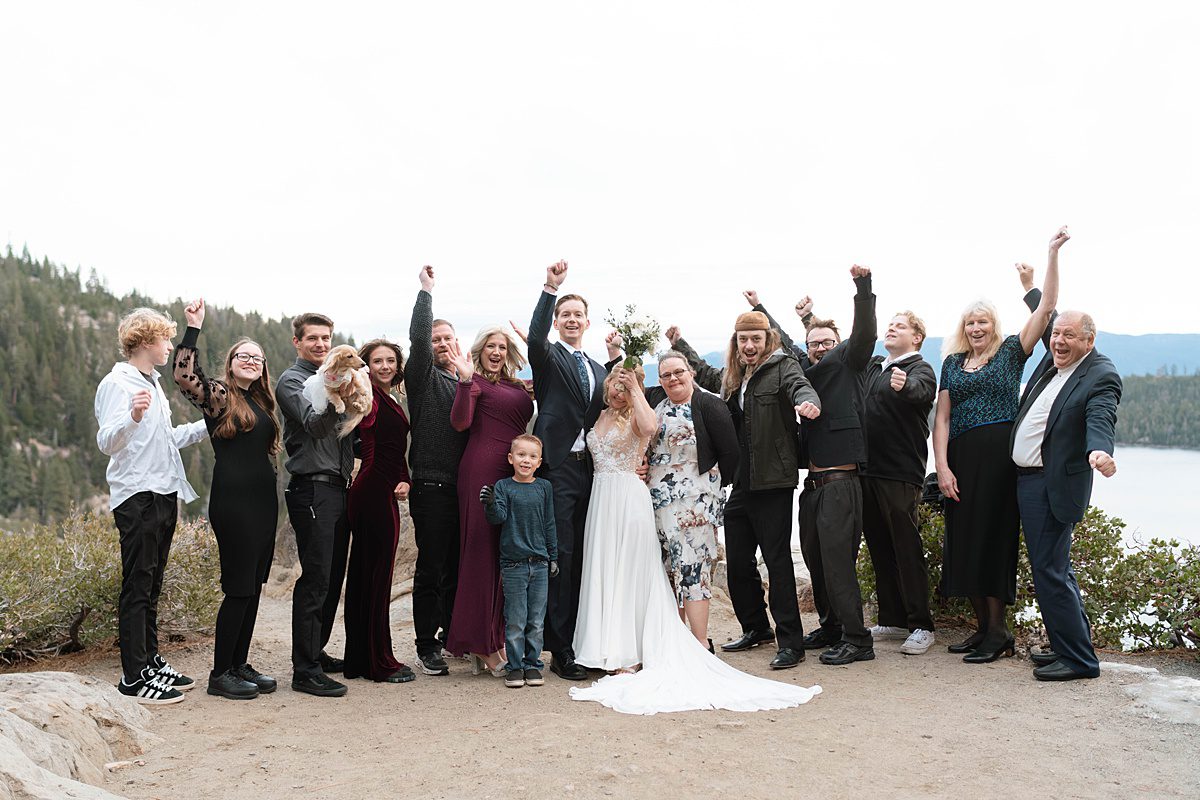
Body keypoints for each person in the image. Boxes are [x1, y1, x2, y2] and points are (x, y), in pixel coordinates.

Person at [569, 367, 823, 714]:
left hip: (650, 499)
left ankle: (684, 644)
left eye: (625, 384)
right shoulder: (602, 414)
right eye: (614, 382)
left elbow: (711, 447)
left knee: (649, 571)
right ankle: (603, 645)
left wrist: (713, 489)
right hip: (611, 500)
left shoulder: (660, 408)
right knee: (613, 570)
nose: (619, 388)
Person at [933, 227, 1066, 663]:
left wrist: (1046, 261)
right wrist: (943, 468)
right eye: (970, 322)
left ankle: (998, 632)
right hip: (960, 462)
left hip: (998, 462)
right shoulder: (952, 363)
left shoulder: (1012, 351)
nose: (976, 327)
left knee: (992, 540)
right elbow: (943, 419)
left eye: (983, 321)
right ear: (963, 328)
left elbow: (1046, 309)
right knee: (964, 541)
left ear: (994, 326)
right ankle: (981, 628)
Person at [671, 311, 821, 670]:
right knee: (737, 561)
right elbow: (705, 376)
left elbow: (801, 385)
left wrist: (807, 402)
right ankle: (755, 627)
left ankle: (791, 642)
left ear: (767, 339)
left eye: (755, 339)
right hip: (742, 480)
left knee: (777, 560)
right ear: (735, 342)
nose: (749, 346)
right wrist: (679, 344)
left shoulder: (783, 367)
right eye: (743, 340)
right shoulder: (735, 376)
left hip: (774, 480)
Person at [750, 266, 878, 665]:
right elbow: (788, 343)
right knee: (815, 559)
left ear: (839, 343)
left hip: (842, 481)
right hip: (813, 484)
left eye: (826, 342)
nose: (819, 348)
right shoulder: (805, 369)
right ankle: (832, 626)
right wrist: (761, 309)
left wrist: (863, 287)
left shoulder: (850, 362)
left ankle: (859, 640)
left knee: (838, 563)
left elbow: (865, 334)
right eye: (813, 343)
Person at [95, 307, 207, 704]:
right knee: (137, 586)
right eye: (164, 340)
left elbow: (164, 440)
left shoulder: (153, 384)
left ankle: (151, 663)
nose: (168, 347)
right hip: (137, 496)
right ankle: (132, 678)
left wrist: (205, 426)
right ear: (144, 342)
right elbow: (107, 441)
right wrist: (131, 416)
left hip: (163, 491)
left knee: (153, 583)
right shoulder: (118, 384)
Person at [173, 300, 280, 700]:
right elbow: (185, 376)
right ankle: (220, 674)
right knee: (238, 587)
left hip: (263, 503)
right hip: (234, 503)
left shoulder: (261, 401)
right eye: (243, 356)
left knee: (253, 586)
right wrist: (193, 328)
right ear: (231, 362)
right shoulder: (219, 396)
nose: (251, 361)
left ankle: (239, 663)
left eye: (258, 357)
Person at [605, 343, 738, 650]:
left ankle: (700, 642)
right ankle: (674, 640)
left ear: (691, 373)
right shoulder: (655, 400)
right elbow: (632, 413)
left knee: (693, 569)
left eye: (679, 372)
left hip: (695, 502)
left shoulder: (709, 405)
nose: (673, 379)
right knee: (665, 569)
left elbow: (730, 454)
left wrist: (712, 489)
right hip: (655, 501)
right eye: (666, 375)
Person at [1011, 310, 1121, 681]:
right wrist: (1030, 286)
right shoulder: (1058, 361)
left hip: (1051, 486)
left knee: (1051, 573)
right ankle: (1069, 647)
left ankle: (1079, 662)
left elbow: (1101, 416)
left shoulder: (1100, 374)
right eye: (1056, 334)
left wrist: (1100, 451)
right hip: (1028, 481)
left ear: (1089, 341)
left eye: (1068, 336)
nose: (1058, 340)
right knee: (1056, 571)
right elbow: (1048, 313)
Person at [527, 260, 608, 681]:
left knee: (586, 557)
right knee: (562, 557)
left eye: (578, 314)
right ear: (558, 322)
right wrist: (550, 289)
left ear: (587, 322)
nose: (572, 319)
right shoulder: (547, 357)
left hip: (591, 471)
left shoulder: (597, 370)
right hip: (556, 468)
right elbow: (534, 336)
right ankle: (560, 649)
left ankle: (583, 640)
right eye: (565, 314)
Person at [446, 326, 535, 676]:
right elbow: (460, 422)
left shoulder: (516, 386)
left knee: (507, 556)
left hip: (517, 470)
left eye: (502, 346)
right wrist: (466, 382)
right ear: (480, 351)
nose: (496, 351)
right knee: (481, 554)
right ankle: (483, 645)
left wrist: (535, 344)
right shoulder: (473, 382)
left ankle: (497, 637)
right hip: (482, 470)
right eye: (490, 346)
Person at [276, 312, 354, 697]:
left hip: (338, 488)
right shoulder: (293, 381)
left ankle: (315, 652)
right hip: (311, 489)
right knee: (315, 578)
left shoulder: (337, 377)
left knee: (332, 576)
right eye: (312, 339)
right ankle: (304, 671)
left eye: (326, 338)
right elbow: (315, 425)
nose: (320, 344)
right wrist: (333, 391)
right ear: (298, 342)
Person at [859, 311, 938, 655]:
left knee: (906, 547)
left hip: (900, 472)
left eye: (901, 326)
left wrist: (905, 385)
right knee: (879, 546)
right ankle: (892, 619)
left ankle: (922, 624)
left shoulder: (919, 368)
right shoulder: (876, 366)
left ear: (917, 337)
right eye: (890, 325)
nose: (891, 328)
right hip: (867, 470)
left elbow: (923, 392)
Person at [406, 265, 469, 676]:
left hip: (464, 489)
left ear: (459, 344)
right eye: (436, 339)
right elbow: (418, 341)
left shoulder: (466, 380)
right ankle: (427, 644)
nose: (442, 344)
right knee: (430, 567)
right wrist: (427, 293)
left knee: (456, 567)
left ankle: (450, 636)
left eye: (448, 338)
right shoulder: (422, 377)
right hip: (431, 485)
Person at [342, 338, 417, 683]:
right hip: (371, 490)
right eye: (378, 361)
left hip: (381, 487)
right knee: (375, 578)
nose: (385, 366)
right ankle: (379, 662)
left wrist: (404, 478)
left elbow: (393, 450)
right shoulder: (366, 394)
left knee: (365, 575)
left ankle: (358, 660)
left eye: (390, 360)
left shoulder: (390, 396)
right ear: (366, 365)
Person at [480, 434, 559, 689]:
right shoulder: (503, 486)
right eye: (522, 455)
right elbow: (498, 517)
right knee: (515, 619)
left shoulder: (544, 487)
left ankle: (533, 665)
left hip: (540, 563)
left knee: (536, 620)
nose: (526, 460)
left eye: (532, 456)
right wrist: (491, 504)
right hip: (513, 564)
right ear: (511, 458)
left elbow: (549, 523)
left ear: (539, 462)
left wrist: (553, 556)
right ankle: (515, 667)